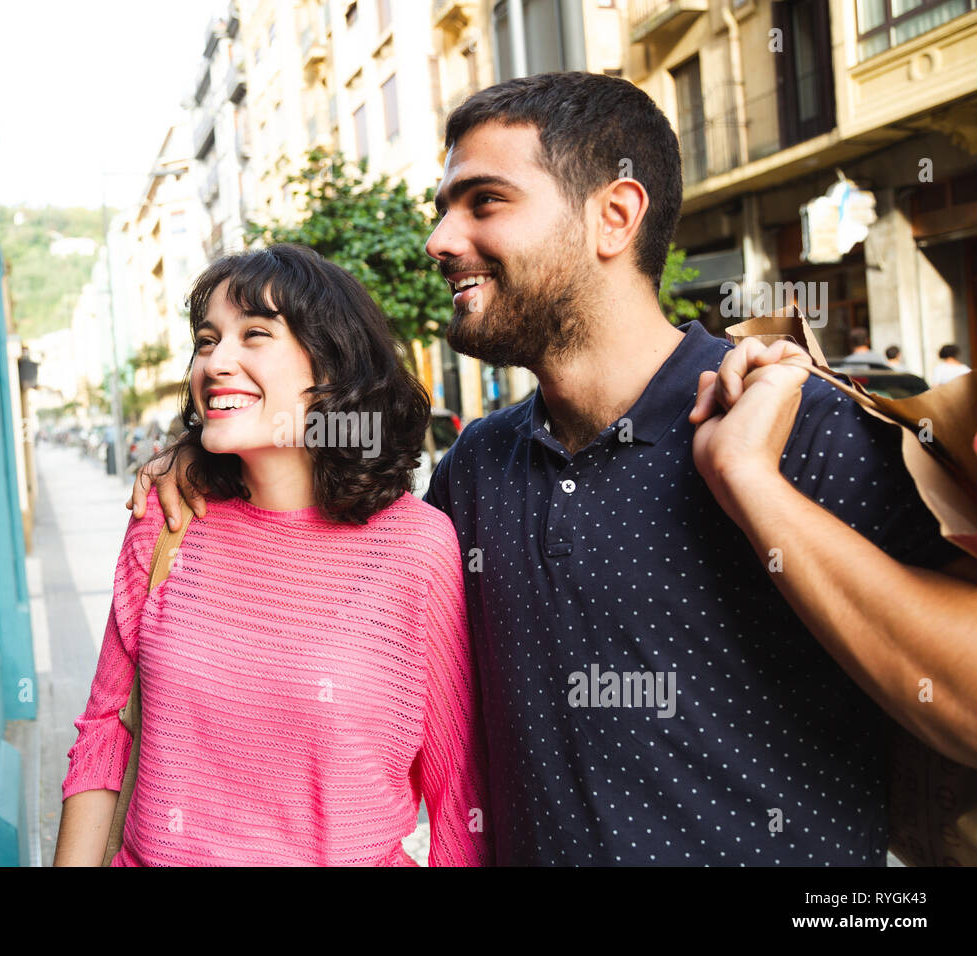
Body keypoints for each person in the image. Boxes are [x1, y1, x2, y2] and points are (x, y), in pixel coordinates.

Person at [135, 72, 977, 866]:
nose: (439, 240)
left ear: (614, 215)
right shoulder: (477, 466)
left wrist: (751, 483)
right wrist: (210, 463)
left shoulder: (800, 425)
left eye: (484, 202)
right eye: (444, 208)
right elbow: (344, 591)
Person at [56, 244, 492, 867]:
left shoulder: (417, 549)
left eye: (254, 334)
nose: (216, 361)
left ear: (332, 365)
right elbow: (104, 731)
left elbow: (458, 794)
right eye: (207, 341)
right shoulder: (168, 520)